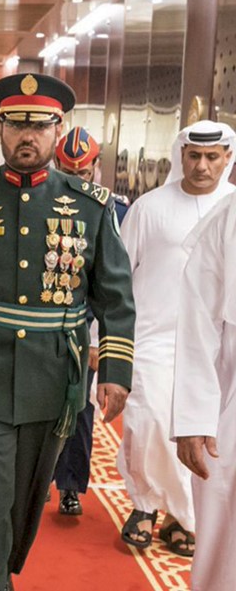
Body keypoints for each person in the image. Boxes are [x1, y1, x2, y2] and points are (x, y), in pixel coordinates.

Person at [0, 73, 135, 591]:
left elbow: (115, 297)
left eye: (38, 125)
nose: (25, 136)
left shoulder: (90, 205)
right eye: (15, 125)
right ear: (0, 128)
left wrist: (116, 371)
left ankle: (0, 570)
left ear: (59, 129)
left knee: (25, 500)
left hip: (54, 377)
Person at [116, 120, 235, 556]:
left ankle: (184, 518)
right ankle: (145, 505)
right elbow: (119, 277)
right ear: (181, 155)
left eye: (212, 157)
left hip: (216, 348)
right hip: (154, 337)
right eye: (194, 156)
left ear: (227, 158)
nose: (202, 166)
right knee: (148, 422)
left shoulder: (234, 207)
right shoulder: (150, 207)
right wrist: (101, 338)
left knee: (207, 433)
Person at [51, 127, 130, 517]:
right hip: (42, 324)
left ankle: (70, 486)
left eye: (83, 173)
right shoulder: (43, 203)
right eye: (67, 171)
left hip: (83, 330)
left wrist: (100, 340)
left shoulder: (114, 210)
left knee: (78, 413)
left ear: (97, 168)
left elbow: (113, 284)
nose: (75, 180)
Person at [173, 188, 236, 590]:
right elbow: (198, 323)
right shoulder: (228, 220)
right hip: (231, 407)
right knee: (224, 541)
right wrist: (194, 419)